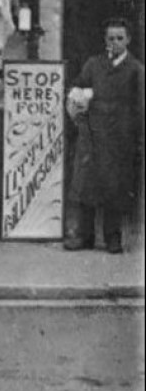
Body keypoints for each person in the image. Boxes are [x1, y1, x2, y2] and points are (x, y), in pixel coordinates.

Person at [64, 18, 144, 254]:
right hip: (93, 133)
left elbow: (140, 107)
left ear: (128, 40)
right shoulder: (94, 65)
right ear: (105, 40)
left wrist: (137, 137)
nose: (115, 42)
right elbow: (78, 86)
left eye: (120, 38)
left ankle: (112, 237)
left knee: (115, 187)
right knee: (88, 184)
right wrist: (77, 97)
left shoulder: (136, 70)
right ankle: (85, 236)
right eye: (111, 38)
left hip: (121, 137)